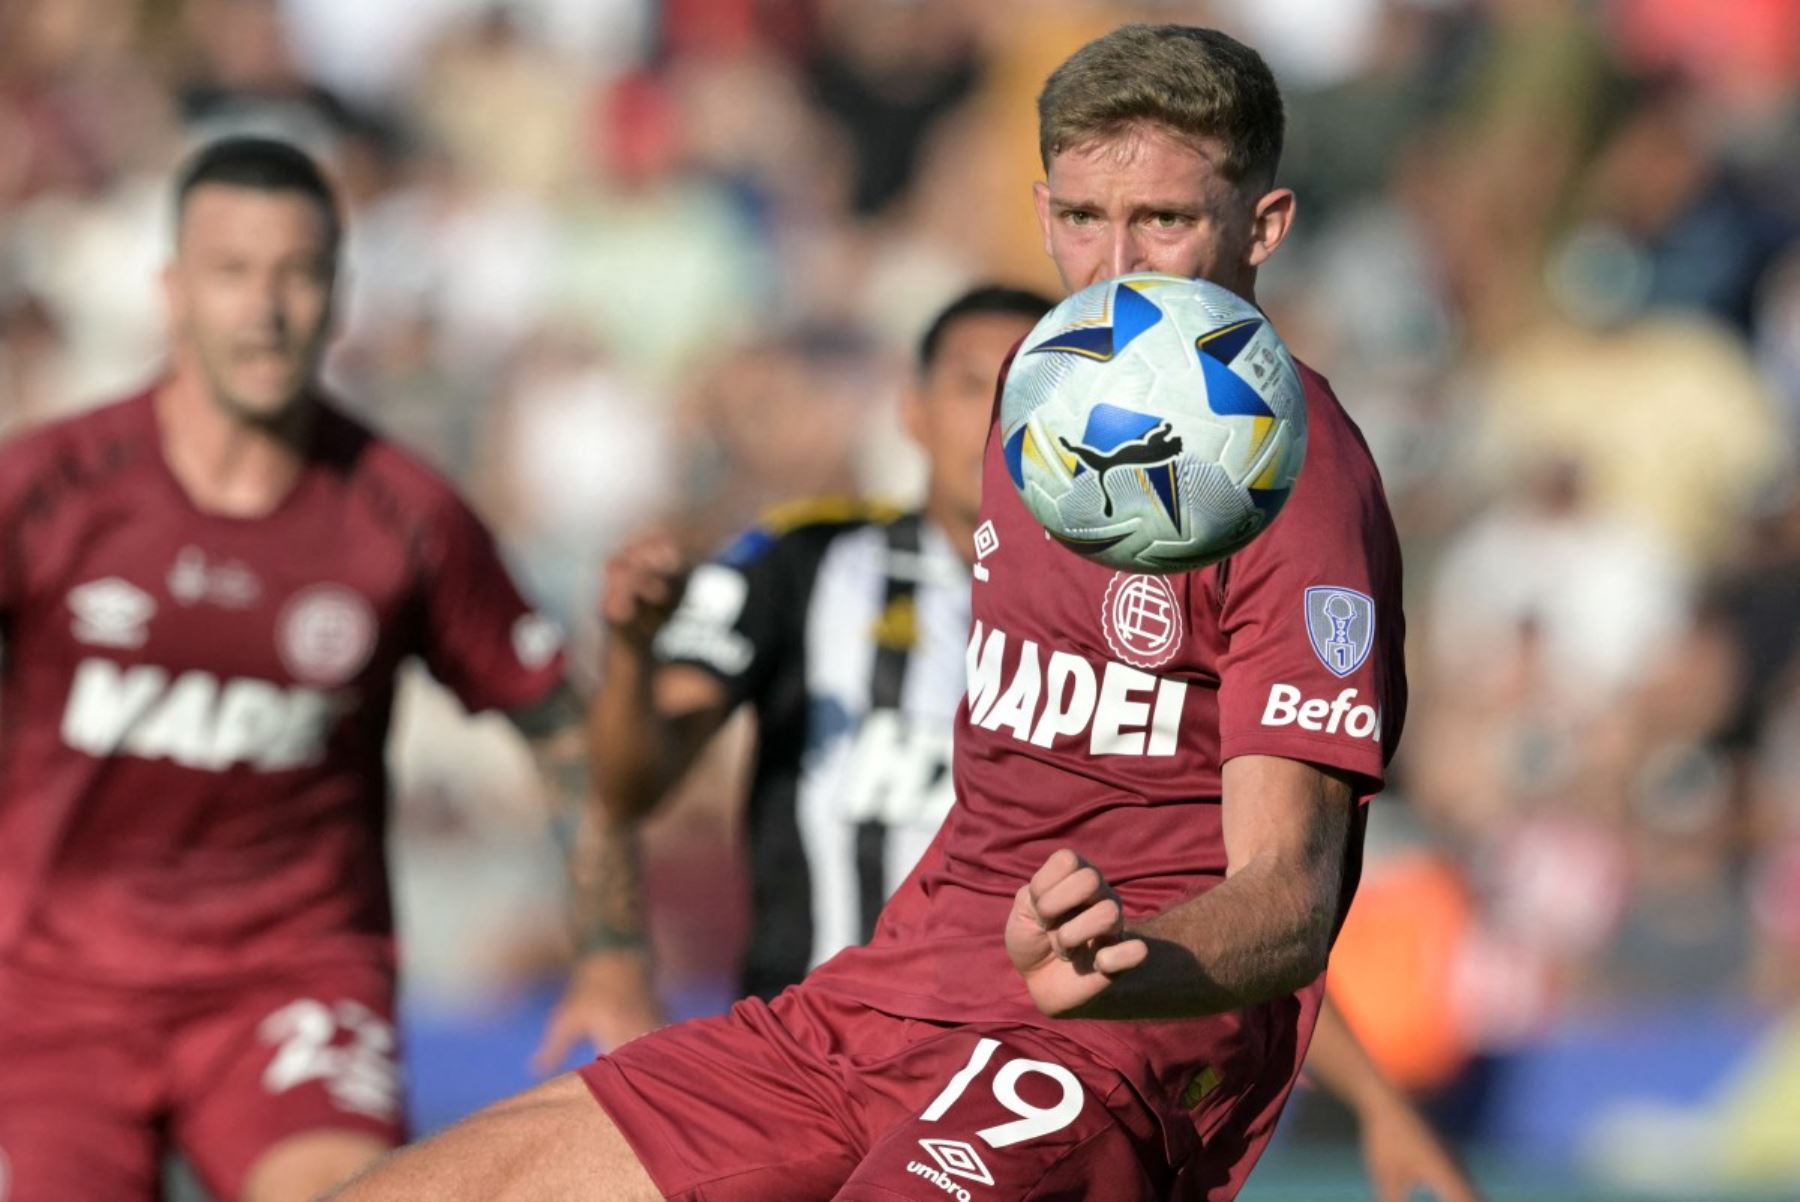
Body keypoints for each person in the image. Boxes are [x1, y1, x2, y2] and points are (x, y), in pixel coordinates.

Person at [330, 25, 1439, 1200]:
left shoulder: (1293, 482)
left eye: (1163, 221)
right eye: (1081, 218)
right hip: (887, 997)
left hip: (1109, 1041)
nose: (1116, 271)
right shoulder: (1030, 403)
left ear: (1263, 226)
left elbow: (1290, 897)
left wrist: (1128, 959)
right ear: (1040, 210)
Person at [579, 284, 1481, 1201]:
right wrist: (614, 945)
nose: (1043, 412)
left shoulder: (1145, 616)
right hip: (818, 1043)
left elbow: (1211, 894)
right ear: (914, 413)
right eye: (979, 385)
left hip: (1019, 1069)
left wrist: (1375, 1099)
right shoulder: (807, 566)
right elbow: (629, 782)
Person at [0, 138, 617, 1202]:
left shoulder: (402, 513)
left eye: (297, 274)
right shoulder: (51, 487)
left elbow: (557, 720)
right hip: (57, 987)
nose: (266, 309)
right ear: (171, 290)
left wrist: (614, 953)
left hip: (291, 979)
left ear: (339, 296)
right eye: (233, 272)